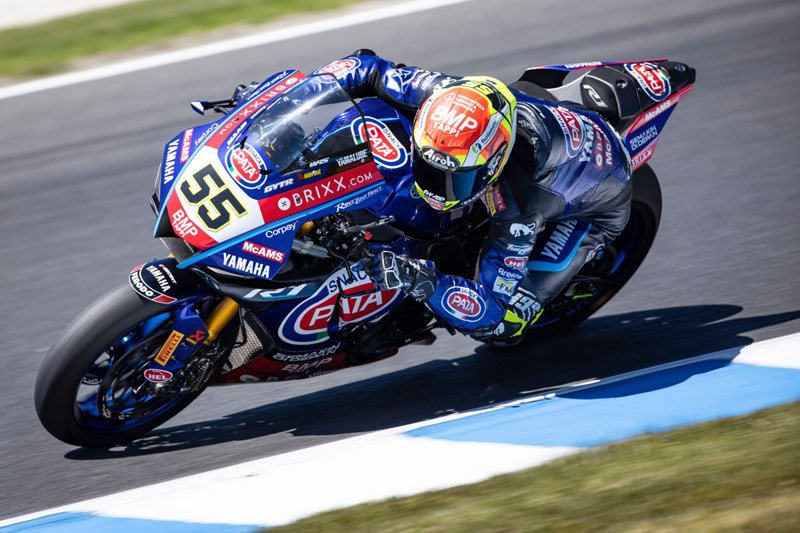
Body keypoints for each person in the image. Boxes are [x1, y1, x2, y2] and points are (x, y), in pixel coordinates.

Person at [250, 50, 632, 343]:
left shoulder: (518, 207)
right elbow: (366, 66)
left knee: (508, 325)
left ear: (492, 165)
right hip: (534, 117)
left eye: (453, 181)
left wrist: (421, 280)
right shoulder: (443, 96)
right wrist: (287, 104)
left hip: (596, 203)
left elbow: (497, 312)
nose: (436, 189)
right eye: (430, 169)